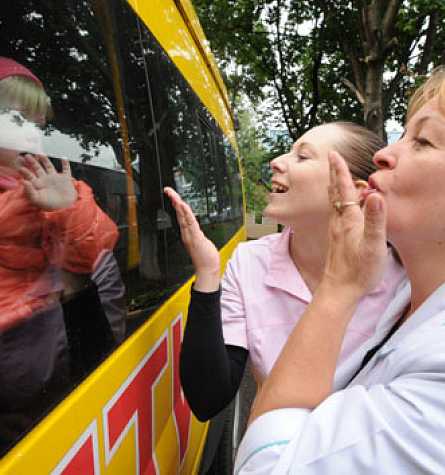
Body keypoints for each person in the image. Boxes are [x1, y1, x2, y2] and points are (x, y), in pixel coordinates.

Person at [234, 57, 445, 473]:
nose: (385, 154)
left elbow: (269, 466)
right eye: (402, 136)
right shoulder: (411, 299)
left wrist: (337, 288)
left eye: (422, 142)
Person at [164, 121, 406, 421]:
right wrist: (208, 274)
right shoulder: (249, 261)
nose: (276, 162)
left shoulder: (405, 276)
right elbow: (207, 399)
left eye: (302, 156)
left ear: (354, 190)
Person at [0, 51, 123, 463]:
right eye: (13, 121)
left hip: (64, 379)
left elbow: (95, 253)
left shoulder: (63, 190)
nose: (29, 136)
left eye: (39, 126)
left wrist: (65, 208)